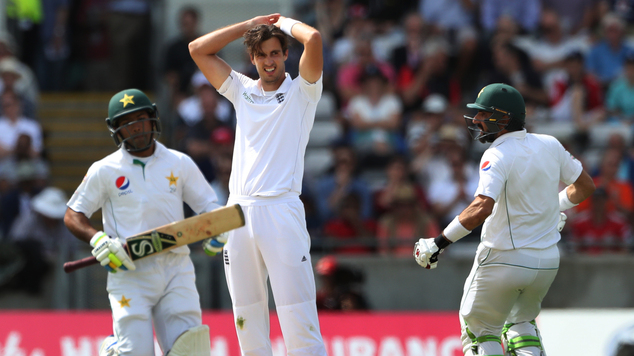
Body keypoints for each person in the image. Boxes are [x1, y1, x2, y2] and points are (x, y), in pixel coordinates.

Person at [413, 83, 595, 355]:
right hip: (546, 262)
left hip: (504, 259)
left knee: (479, 333)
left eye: (484, 115)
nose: (476, 120)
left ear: (505, 118)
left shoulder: (496, 154)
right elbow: (585, 187)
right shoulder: (551, 144)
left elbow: (481, 208)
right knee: (520, 324)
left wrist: (438, 243)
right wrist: (553, 207)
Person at [189, 13, 327, 355]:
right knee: (247, 323)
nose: (269, 61)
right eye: (261, 54)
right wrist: (247, 25)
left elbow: (314, 40)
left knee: (299, 321)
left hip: (281, 209)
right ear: (252, 58)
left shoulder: (302, 91)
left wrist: (282, 22)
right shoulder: (242, 90)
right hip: (237, 212)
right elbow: (197, 49)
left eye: (275, 53)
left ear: (285, 55)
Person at [63, 89, 224, 356]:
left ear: (153, 119)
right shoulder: (105, 169)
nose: (135, 127)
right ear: (116, 130)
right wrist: (98, 239)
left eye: (140, 118)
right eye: (126, 122)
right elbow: (73, 214)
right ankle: (115, 349)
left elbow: (209, 206)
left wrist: (218, 229)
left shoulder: (179, 162)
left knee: (191, 351)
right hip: (128, 270)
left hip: (176, 268)